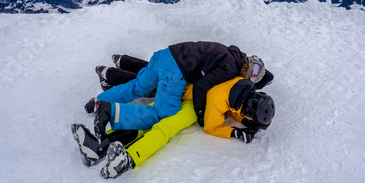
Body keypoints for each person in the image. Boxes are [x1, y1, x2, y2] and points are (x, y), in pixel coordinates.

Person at [72, 54, 275, 179]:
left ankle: (99, 146)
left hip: (181, 89)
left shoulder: (237, 74)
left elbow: (237, 107)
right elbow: (213, 124)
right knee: (162, 127)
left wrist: (244, 123)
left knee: (146, 117)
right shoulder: (237, 85)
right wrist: (236, 132)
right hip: (194, 102)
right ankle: (127, 158)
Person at [86, 41, 269, 139]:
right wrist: (200, 112)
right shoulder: (230, 68)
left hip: (165, 55)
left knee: (136, 87)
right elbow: (200, 87)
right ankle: (108, 111)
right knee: (163, 112)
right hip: (175, 71)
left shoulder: (229, 54)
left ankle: (96, 102)